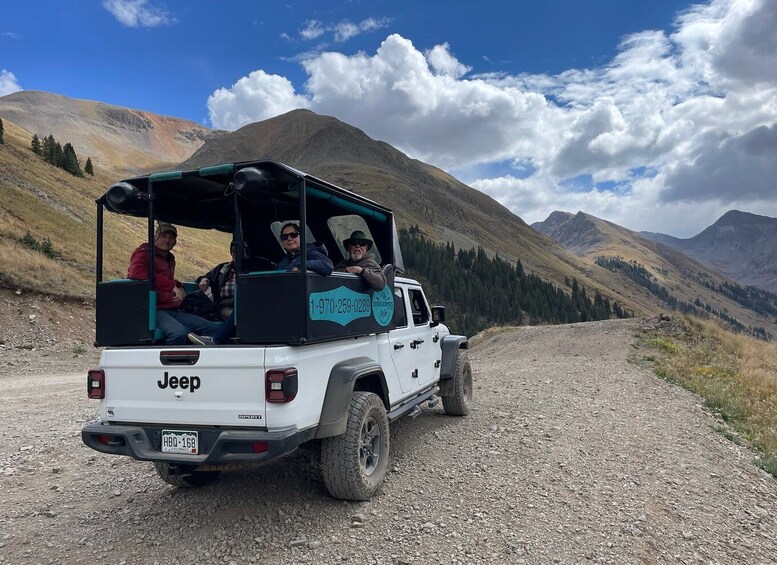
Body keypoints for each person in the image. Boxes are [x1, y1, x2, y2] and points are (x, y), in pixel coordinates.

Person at [187, 222, 334, 346]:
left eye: (293, 235)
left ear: (301, 236)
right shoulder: (285, 260)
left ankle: (215, 340)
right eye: (284, 237)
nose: (289, 239)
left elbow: (327, 265)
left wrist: (302, 266)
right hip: (279, 300)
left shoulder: (310, 252)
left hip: (294, 305)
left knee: (246, 304)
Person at [127, 222, 222, 345]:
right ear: (155, 236)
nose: (167, 240)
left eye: (171, 237)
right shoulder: (144, 252)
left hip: (172, 308)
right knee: (178, 333)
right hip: (151, 309)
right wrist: (171, 286)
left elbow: (164, 279)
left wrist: (179, 286)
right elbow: (137, 273)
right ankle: (169, 363)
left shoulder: (170, 258)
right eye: (163, 236)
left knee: (215, 330)